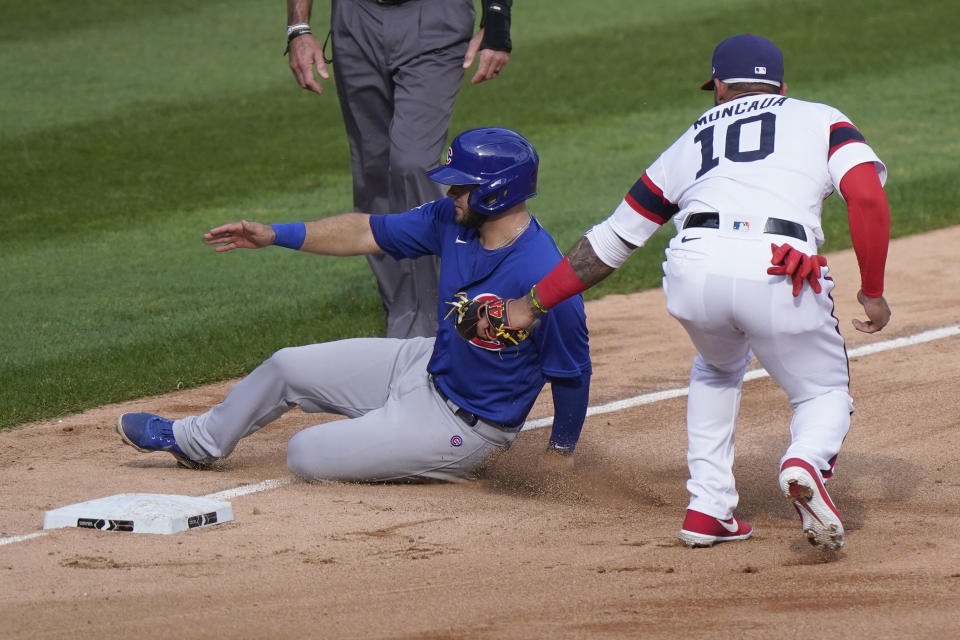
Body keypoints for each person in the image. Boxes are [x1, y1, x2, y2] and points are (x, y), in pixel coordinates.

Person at [494, 34, 892, 550]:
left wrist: (532, 304)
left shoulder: (692, 138)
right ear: (782, 88)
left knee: (717, 367)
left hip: (691, 267)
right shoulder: (821, 117)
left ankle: (708, 509)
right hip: (777, 267)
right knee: (822, 391)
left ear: (720, 88)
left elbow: (611, 241)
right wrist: (874, 290)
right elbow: (865, 197)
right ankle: (804, 461)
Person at [116, 128, 591, 483]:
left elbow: (572, 371)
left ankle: (429, 452)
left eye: (460, 185)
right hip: (425, 365)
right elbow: (366, 230)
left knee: (305, 454)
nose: (449, 194)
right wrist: (275, 234)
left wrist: (560, 453)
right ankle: (197, 442)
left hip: (466, 425)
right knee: (287, 366)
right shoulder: (452, 220)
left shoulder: (544, 275)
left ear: (497, 190)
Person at [285, 0, 514, 339]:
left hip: (436, 17)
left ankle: (434, 318)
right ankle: (402, 313)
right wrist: (298, 29)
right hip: (355, 18)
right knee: (372, 173)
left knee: (413, 164)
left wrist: (497, 20)